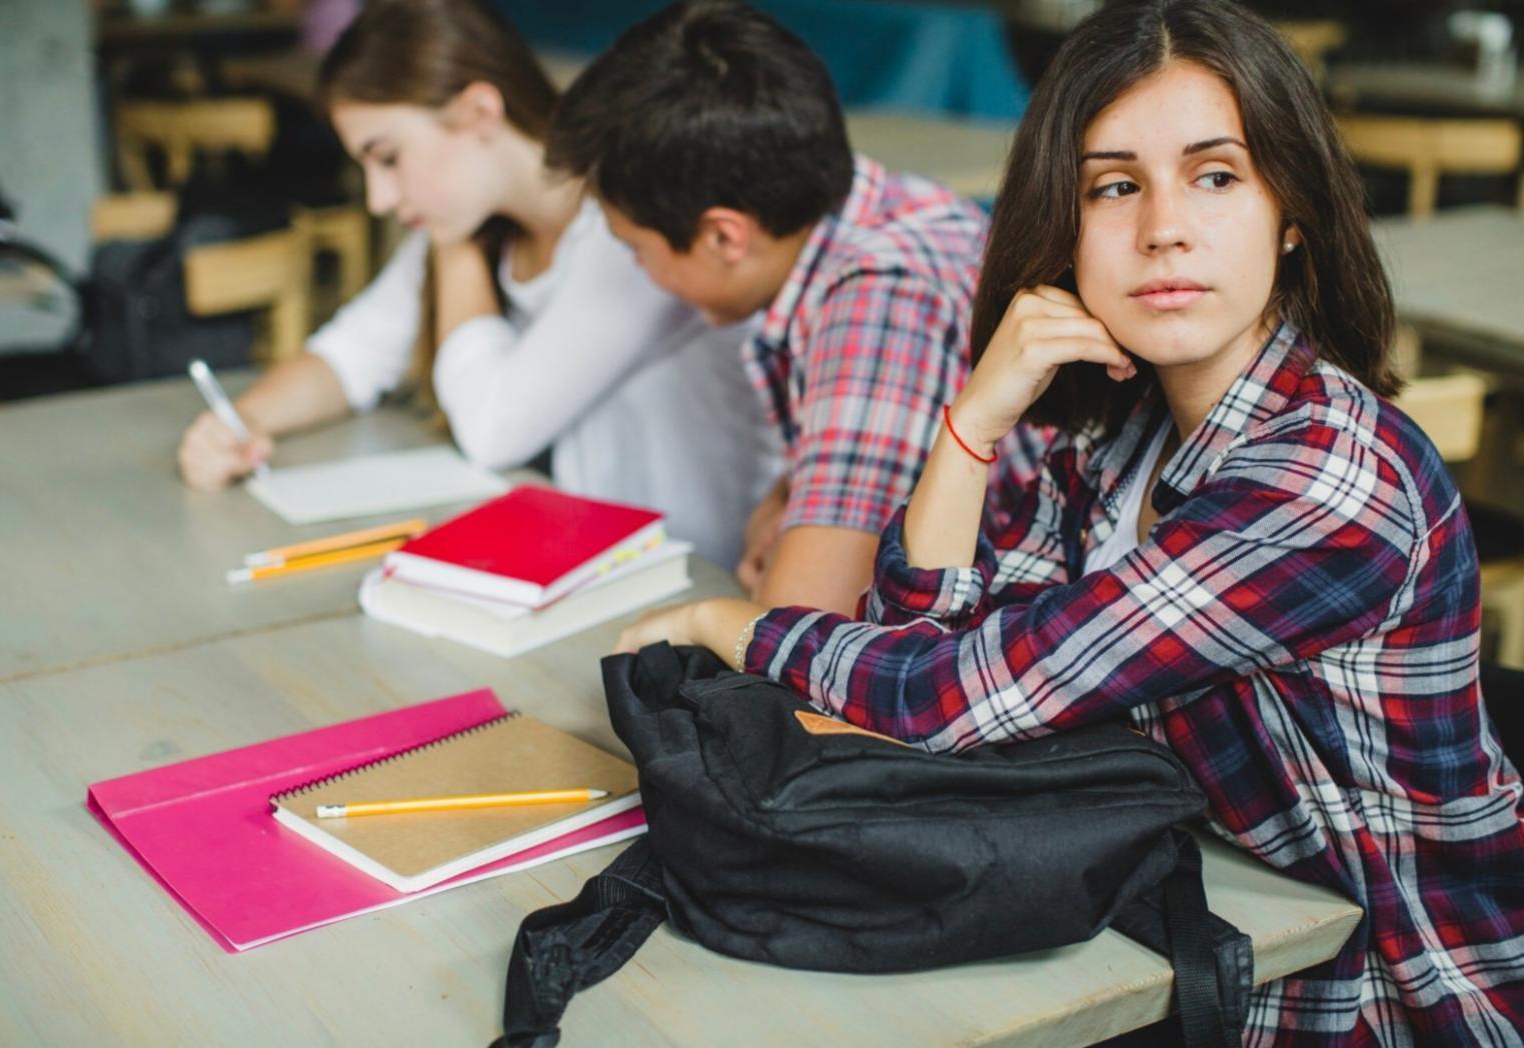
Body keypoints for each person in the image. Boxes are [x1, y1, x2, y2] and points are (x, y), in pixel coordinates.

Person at [616, 0, 1524, 1040]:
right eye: (1113, 186)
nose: (1162, 227)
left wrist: (727, 624)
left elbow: (946, 696)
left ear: (1291, 211)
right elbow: (925, 638)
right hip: (1183, 934)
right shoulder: (1123, 437)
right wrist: (971, 421)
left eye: (1214, 175)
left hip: (1370, 994)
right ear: (1064, 222)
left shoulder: (1321, 479)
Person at [175, 0, 774, 568]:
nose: (381, 198)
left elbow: (493, 431)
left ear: (480, 114)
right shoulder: (474, 220)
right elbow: (351, 353)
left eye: (387, 157)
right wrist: (242, 421)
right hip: (590, 558)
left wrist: (452, 247)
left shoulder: (632, 231)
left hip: (697, 573)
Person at [546, 1, 1042, 615]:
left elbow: (805, 618)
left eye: (636, 249)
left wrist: (791, 562)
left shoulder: (881, 294)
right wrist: (786, 504)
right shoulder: (881, 206)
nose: (639, 273)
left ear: (726, 236)